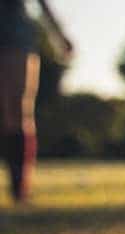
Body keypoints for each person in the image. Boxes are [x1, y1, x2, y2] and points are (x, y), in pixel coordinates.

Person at [1, 0, 70, 206]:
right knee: (9, 114)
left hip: (14, 38)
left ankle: (19, 186)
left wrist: (59, 35)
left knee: (17, 111)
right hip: (15, 38)